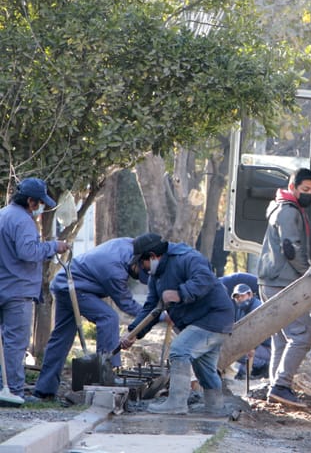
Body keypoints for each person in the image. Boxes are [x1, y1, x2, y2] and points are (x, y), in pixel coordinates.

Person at [119, 232, 234, 415]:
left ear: (152, 256)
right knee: (204, 368)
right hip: (199, 321)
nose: (143, 268)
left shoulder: (187, 258)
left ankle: (176, 404)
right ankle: (215, 407)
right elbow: (151, 308)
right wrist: (133, 333)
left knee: (180, 350)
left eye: (142, 263)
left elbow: (205, 279)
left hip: (214, 317)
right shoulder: (156, 277)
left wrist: (180, 293)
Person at [33, 237, 147, 400]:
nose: (137, 277)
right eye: (140, 272)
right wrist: (160, 316)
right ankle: (105, 378)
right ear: (138, 261)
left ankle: (44, 391)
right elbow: (127, 305)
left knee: (61, 338)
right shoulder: (115, 270)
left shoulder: (129, 245)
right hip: (73, 286)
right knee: (109, 318)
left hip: (65, 282)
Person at [257, 168, 311, 407]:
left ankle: (274, 387)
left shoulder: (295, 210)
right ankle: (281, 385)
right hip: (282, 283)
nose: (309, 194)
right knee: (301, 336)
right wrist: (307, 276)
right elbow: (292, 249)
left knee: (281, 338)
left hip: (274, 281)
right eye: (305, 190)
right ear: (292, 187)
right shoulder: (288, 213)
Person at [0, 178, 68, 404]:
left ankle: (4, 388)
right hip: (17, 290)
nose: (39, 207)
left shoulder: (3, 214)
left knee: (4, 342)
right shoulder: (23, 221)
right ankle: (14, 392)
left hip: (4, 284)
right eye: (38, 202)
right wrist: (53, 247)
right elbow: (28, 251)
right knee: (15, 342)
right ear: (30, 200)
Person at [229, 283, 270, 380]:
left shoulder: (257, 307)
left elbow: (255, 337)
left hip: (266, 347)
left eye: (242, 296)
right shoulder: (241, 309)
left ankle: (264, 366)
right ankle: (250, 370)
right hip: (253, 345)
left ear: (250, 295)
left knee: (239, 351)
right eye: (237, 297)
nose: (239, 299)